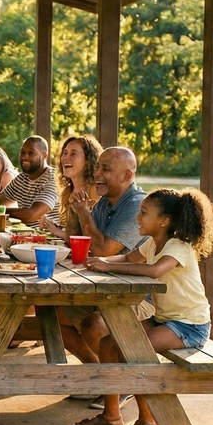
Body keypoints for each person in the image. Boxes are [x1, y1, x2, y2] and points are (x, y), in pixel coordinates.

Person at [73, 188, 213, 425]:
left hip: (189, 325)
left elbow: (155, 270)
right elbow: (129, 257)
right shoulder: (153, 242)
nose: (138, 217)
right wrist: (96, 261)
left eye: (144, 213)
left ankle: (149, 419)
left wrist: (108, 266)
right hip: (165, 319)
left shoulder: (178, 246)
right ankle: (111, 416)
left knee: (132, 351)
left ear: (164, 221)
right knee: (108, 343)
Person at [54, 147, 152, 371]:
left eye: (105, 169)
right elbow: (75, 240)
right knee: (52, 312)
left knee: (94, 324)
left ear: (128, 175)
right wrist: (74, 209)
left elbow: (102, 250)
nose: (96, 173)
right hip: (106, 290)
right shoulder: (105, 203)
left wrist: (84, 214)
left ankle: (121, 384)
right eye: (97, 166)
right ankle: (98, 373)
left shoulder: (137, 205)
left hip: (139, 297)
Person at [0, 135, 59, 228]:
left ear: (44, 155)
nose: (25, 157)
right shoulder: (22, 178)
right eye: (23, 152)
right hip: (27, 237)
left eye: (31, 153)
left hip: (51, 239)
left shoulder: (53, 178)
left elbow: (32, 215)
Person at [39, 135, 103, 241]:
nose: (65, 158)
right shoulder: (67, 191)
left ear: (88, 160)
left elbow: (88, 238)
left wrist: (55, 231)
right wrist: (56, 227)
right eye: (65, 153)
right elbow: (73, 231)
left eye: (73, 154)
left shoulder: (96, 190)